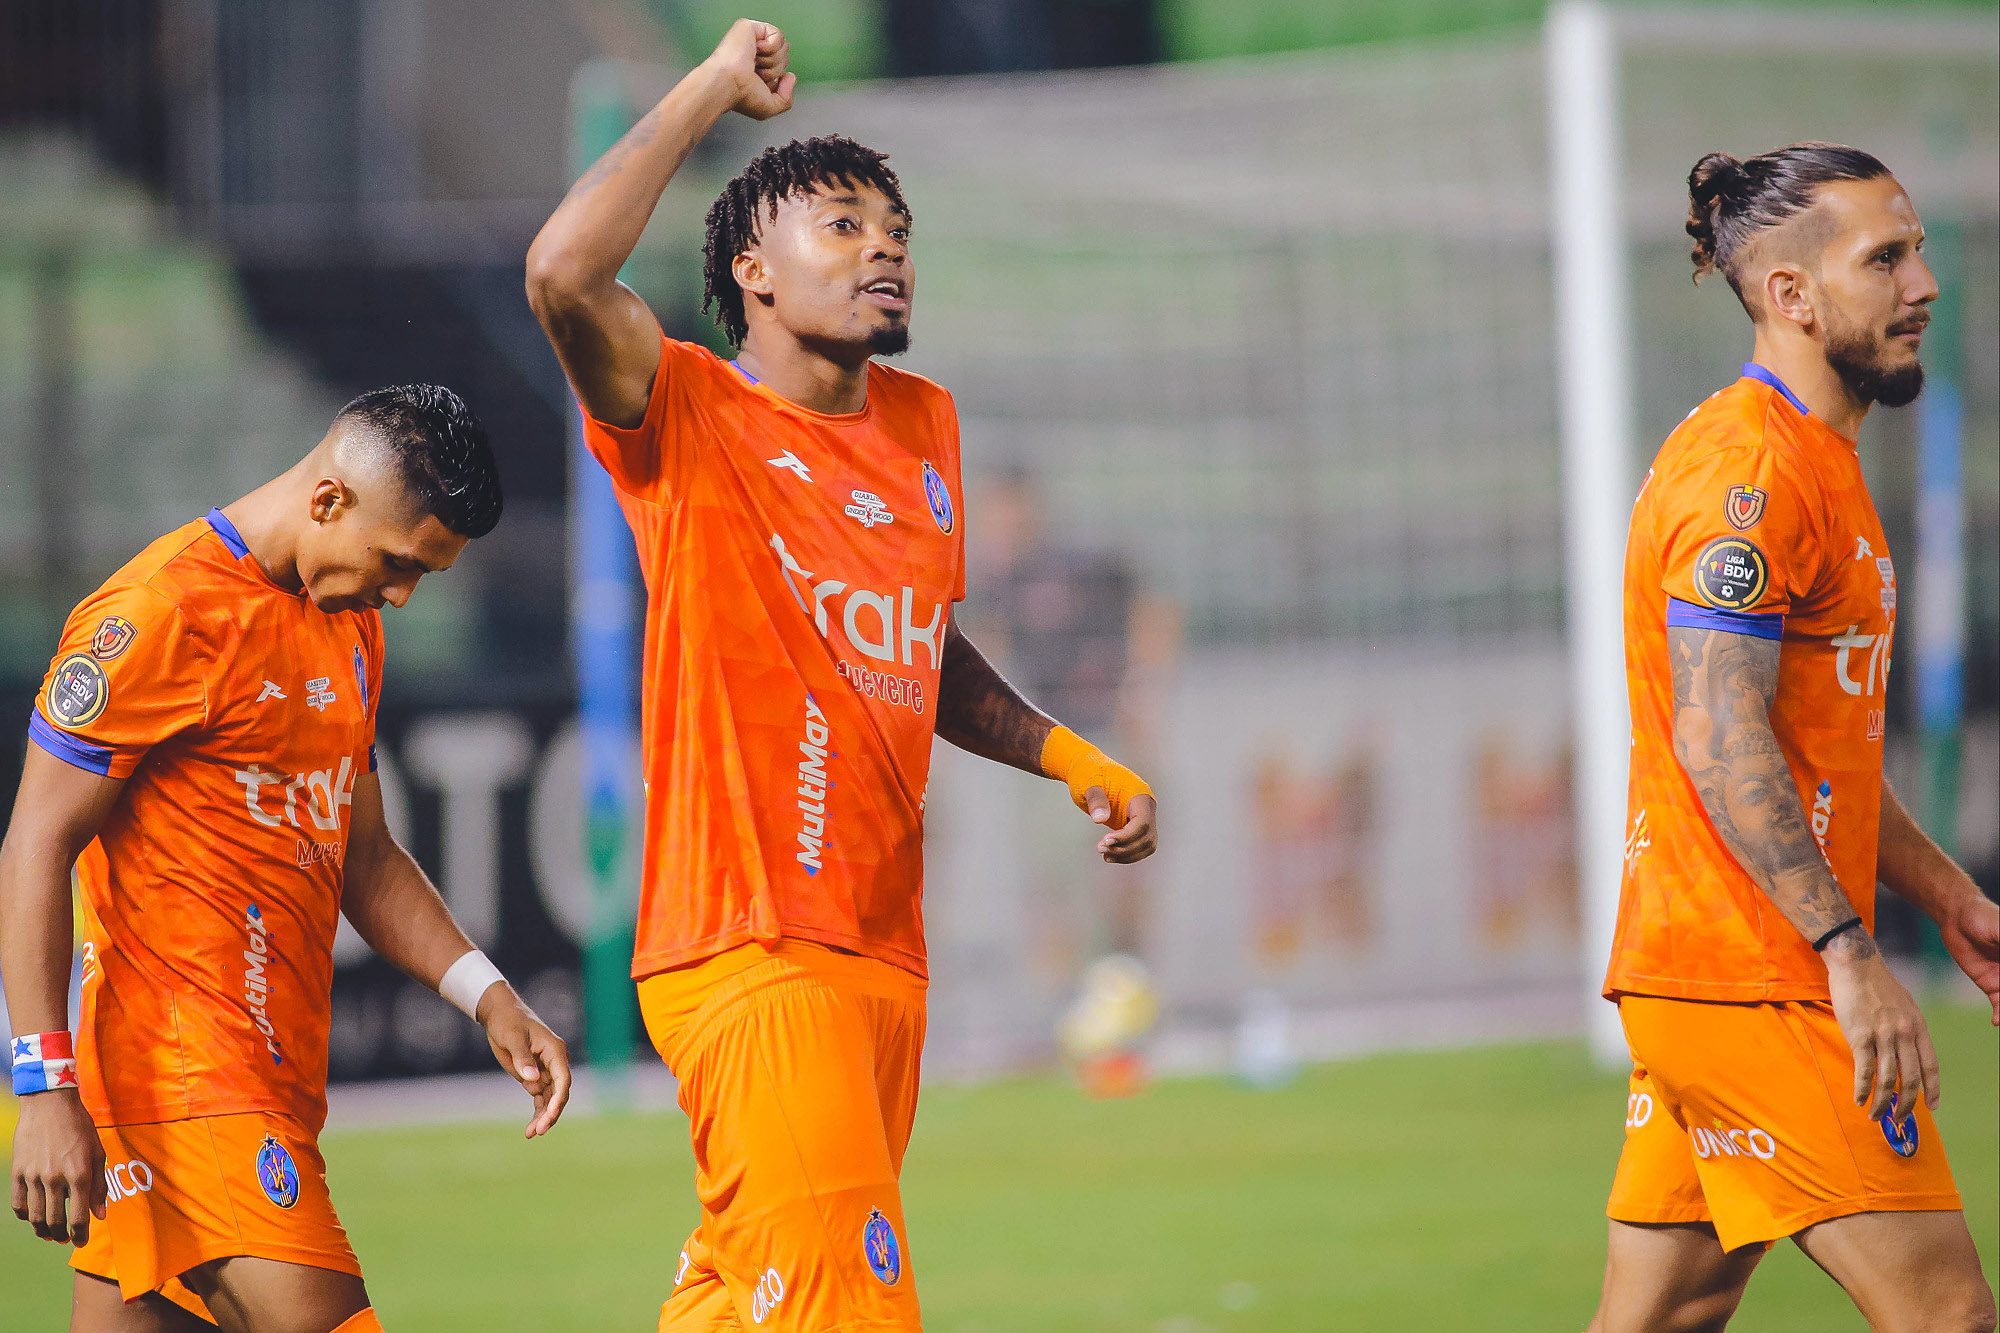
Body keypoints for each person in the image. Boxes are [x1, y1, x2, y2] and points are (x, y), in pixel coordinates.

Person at [525, 19, 1158, 1330]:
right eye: (844, 224)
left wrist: (1066, 753)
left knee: (748, 1296)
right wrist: (710, 86)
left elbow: (927, 645)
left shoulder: (926, 430)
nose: (885, 248)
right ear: (751, 270)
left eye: (897, 230)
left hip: (879, 953)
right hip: (754, 949)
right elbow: (561, 272)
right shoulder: (687, 411)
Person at [2, 385, 573, 1333]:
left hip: (260, 1091)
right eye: (399, 562)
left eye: (424, 574)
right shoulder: (160, 611)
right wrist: (43, 1085)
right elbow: (35, 840)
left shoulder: (350, 627)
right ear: (328, 500)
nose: (402, 593)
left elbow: (367, 858)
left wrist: (489, 996)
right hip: (186, 1091)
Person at [1588, 143, 1998, 1333]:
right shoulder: (1749, 475)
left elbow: (1814, 747)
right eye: (1884, 258)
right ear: (1789, 293)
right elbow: (1719, 738)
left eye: (1915, 250)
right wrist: (1846, 953)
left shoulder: (1813, 455)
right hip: (1755, 979)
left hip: (1709, 972)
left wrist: (1943, 894)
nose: (1921, 283)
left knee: (1658, 1318)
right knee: (1947, 1315)